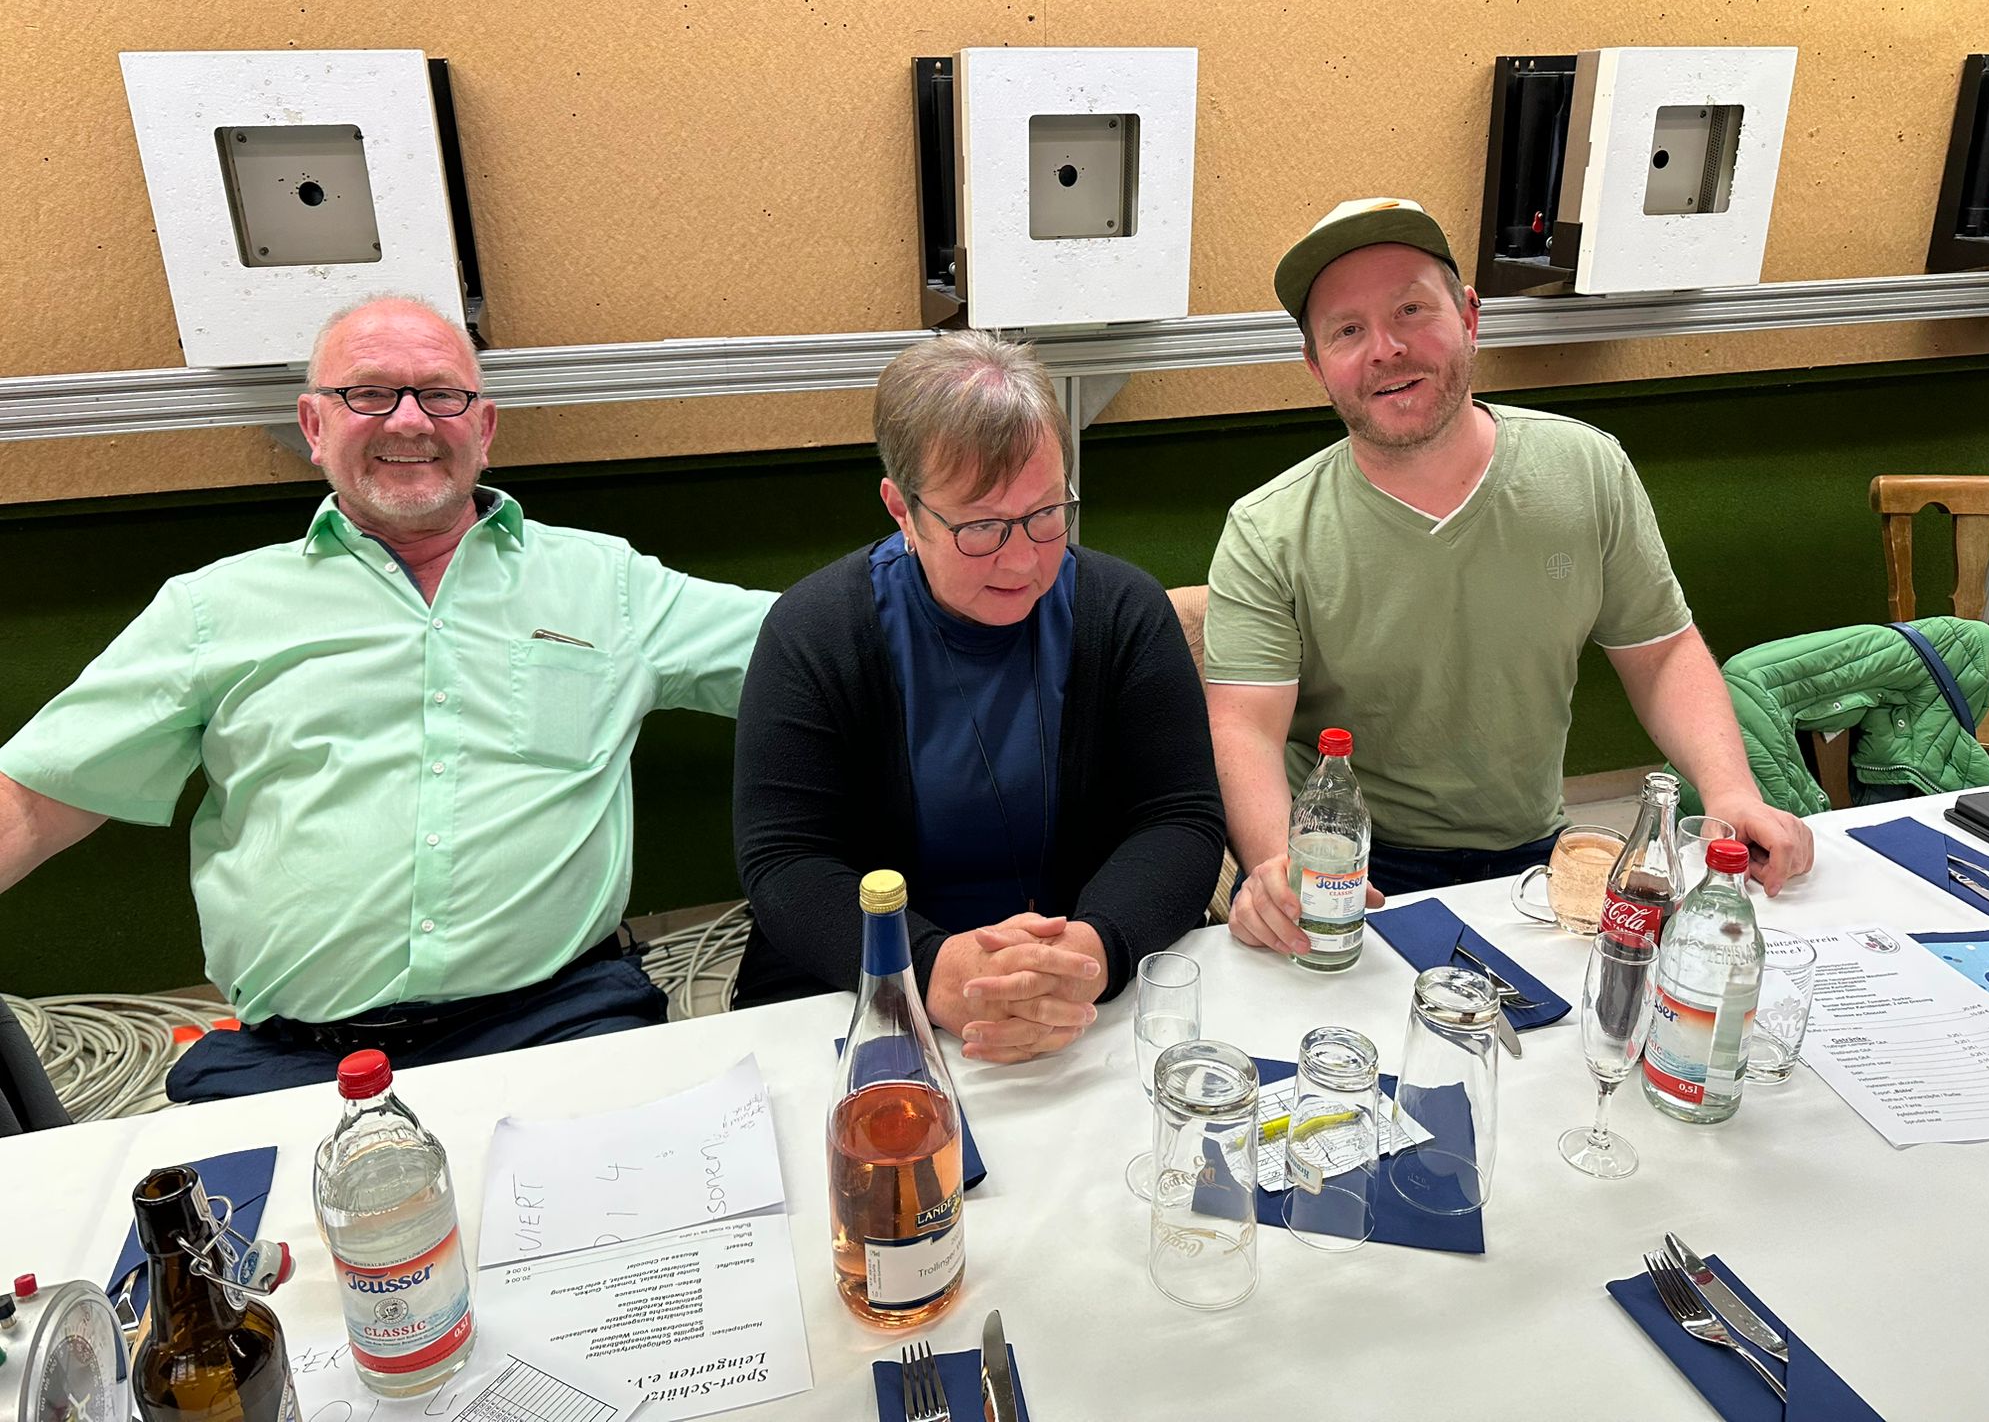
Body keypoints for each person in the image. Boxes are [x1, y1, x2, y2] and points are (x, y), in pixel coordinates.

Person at [0, 296, 777, 1099]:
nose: (410, 420)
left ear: (484, 428)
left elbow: (815, 649)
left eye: (442, 394)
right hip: (297, 1059)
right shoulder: (210, 610)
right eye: (369, 393)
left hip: (560, 1020)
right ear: (313, 425)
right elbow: (32, 799)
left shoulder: (606, 585)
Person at [1206, 198, 1815, 958]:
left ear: (1469, 316)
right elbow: (1245, 724)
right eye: (1347, 331)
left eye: (1411, 310)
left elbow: (1660, 652)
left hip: (1535, 856)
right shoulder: (1268, 529)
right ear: (1315, 364)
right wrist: (1277, 868)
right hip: (1346, 863)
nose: (1386, 349)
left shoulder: (1586, 469)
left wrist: (1731, 794)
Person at [731, 331, 1224, 1063]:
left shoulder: (1123, 613)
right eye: (981, 527)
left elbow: (1180, 818)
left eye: (1046, 513)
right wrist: (926, 968)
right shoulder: (815, 633)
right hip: (872, 983)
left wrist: (1090, 954)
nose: (1022, 561)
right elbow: (786, 862)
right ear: (902, 510)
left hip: (1078, 995)